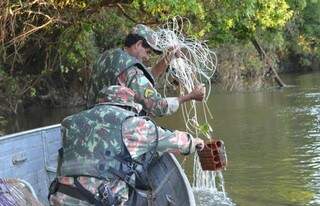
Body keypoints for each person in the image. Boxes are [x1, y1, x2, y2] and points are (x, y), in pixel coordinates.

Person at [49, 85, 204, 206]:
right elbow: (173, 141)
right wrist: (194, 142)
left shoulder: (69, 122)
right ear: (129, 105)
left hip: (60, 198)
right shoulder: (131, 123)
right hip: (99, 201)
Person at [87, 24, 205, 117]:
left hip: (93, 124)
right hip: (115, 133)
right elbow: (158, 107)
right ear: (138, 44)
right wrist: (191, 96)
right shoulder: (131, 71)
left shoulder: (106, 57)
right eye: (148, 52)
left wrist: (169, 56)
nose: (147, 57)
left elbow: (148, 75)